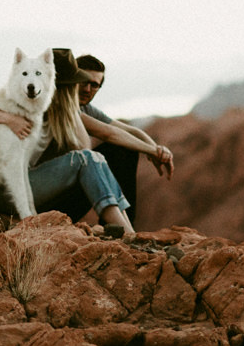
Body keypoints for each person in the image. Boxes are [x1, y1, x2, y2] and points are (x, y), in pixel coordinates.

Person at [0, 49, 158, 236]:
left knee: (96, 157)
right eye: (77, 82)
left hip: (32, 186)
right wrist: (11, 120)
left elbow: (102, 137)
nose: (83, 87)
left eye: (93, 84)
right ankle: (125, 233)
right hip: (7, 191)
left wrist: (155, 149)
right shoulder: (27, 100)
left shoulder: (64, 110)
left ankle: (125, 230)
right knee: (87, 159)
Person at [69, 54, 174, 225]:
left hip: (70, 191)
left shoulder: (86, 108)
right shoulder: (62, 106)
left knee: (125, 150)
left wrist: (158, 150)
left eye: (94, 85)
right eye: (83, 81)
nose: (87, 89)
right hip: (50, 198)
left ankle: (119, 228)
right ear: (72, 79)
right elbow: (108, 134)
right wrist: (152, 151)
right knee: (116, 150)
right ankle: (121, 228)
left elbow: (129, 130)